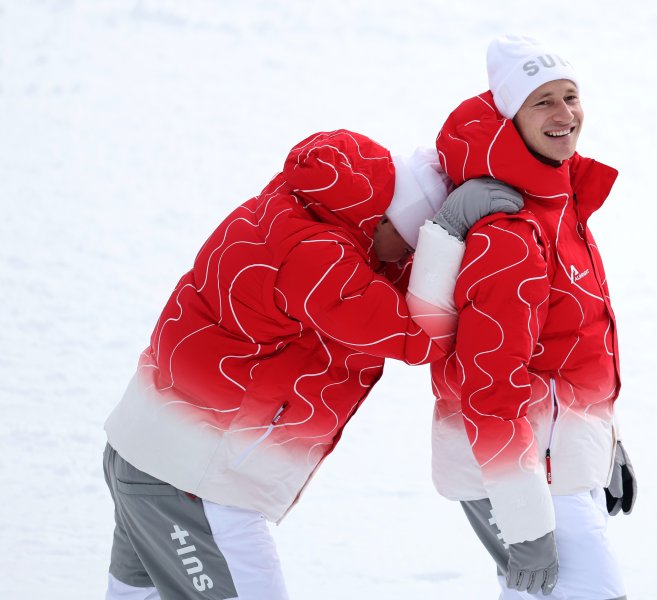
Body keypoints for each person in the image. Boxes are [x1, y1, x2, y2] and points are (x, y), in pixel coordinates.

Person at [101, 128, 521, 599]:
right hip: (191, 481)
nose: (408, 259)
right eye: (409, 246)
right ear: (386, 222)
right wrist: (446, 235)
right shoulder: (317, 258)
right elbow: (418, 335)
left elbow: (376, 287)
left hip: (146, 455)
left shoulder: (297, 212)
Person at [427, 35, 638, 599]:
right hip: (528, 476)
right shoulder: (512, 233)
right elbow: (490, 384)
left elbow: (572, 351)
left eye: (570, 96)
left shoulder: (560, 210)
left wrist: (603, 442)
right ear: (508, 119)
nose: (564, 114)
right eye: (542, 101)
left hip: (560, 462)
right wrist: (525, 524)